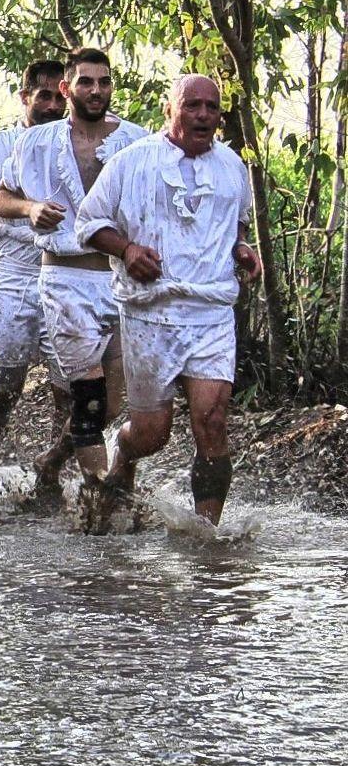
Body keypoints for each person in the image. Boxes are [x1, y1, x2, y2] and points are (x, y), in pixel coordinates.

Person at [76, 74, 260, 529]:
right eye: (191, 105)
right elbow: (88, 223)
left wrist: (241, 248)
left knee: (213, 420)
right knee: (153, 434)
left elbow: (235, 224)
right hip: (150, 312)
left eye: (211, 107)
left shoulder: (233, 166)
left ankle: (206, 533)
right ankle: (124, 452)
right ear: (169, 109)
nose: (202, 115)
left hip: (211, 310)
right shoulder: (130, 162)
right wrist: (128, 250)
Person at [0, 47, 149, 501]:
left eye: (103, 82)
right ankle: (98, 494)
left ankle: (51, 462)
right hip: (64, 280)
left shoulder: (136, 141)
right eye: (86, 82)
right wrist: (32, 208)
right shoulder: (36, 142)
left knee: (112, 404)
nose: (96, 91)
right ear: (67, 89)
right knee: (89, 398)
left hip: (120, 283)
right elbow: (1, 198)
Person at [0, 59, 68, 465]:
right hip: (14, 268)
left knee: (70, 383)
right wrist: (25, 202)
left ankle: (60, 471)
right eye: (43, 96)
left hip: (64, 268)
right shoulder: (1, 145)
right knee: (7, 379)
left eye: (59, 96)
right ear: (25, 98)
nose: (52, 106)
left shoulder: (75, 142)